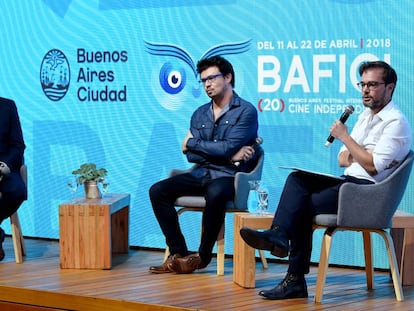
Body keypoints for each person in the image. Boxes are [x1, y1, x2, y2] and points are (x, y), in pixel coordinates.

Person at [239, 60, 411, 299]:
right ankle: (279, 237)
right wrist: (359, 152)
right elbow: (343, 159)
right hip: (349, 182)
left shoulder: (396, 123)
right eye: (362, 84)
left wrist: (346, 138)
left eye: (372, 85)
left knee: (301, 205)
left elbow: (372, 167)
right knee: (297, 178)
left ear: (390, 87)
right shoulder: (365, 116)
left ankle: (292, 273)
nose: (365, 90)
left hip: (368, 193)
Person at [149, 55, 259, 274]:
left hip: (231, 177)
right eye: (203, 80)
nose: (207, 84)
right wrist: (227, 153)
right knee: (158, 191)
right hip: (201, 172)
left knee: (216, 192)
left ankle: (202, 257)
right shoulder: (199, 113)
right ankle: (179, 254)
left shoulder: (246, 111)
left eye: (212, 78)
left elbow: (216, 148)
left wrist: (193, 142)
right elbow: (192, 156)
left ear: (228, 77)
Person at [0, 97, 26, 261]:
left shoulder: (7, 106)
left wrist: (5, 164)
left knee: (18, 191)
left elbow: (18, 145)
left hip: (5, 167)